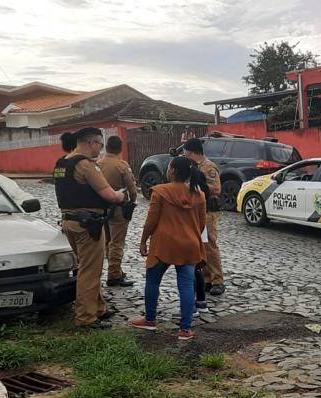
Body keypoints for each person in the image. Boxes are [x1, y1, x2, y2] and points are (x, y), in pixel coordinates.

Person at [54, 127, 128, 329]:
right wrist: (120, 195)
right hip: (88, 225)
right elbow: (109, 195)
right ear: (91, 143)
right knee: (90, 271)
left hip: (69, 222)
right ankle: (86, 317)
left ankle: (98, 307)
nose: (100, 150)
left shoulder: (62, 162)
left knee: (86, 267)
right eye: (100, 145)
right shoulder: (86, 165)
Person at [132, 156, 207, 340]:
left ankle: (150, 320)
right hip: (189, 245)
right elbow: (202, 223)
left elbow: (151, 221)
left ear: (171, 171)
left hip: (163, 245)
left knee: (152, 281)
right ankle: (185, 329)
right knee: (187, 286)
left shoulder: (159, 192)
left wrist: (143, 241)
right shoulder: (199, 195)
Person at [182, 138, 225, 296]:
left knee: (210, 244)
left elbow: (216, 188)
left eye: (185, 151)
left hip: (208, 210)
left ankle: (217, 280)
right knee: (201, 243)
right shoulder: (193, 166)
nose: (184, 154)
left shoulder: (208, 166)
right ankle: (207, 278)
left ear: (192, 151)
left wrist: (197, 185)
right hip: (197, 209)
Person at [97, 136, 138, 287]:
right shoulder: (121, 165)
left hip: (101, 208)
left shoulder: (97, 164)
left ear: (106, 147)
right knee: (117, 242)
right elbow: (132, 188)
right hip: (119, 207)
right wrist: (132, 201)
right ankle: (114, 274)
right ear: (120, 149)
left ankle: (115, 270)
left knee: (107, 240)